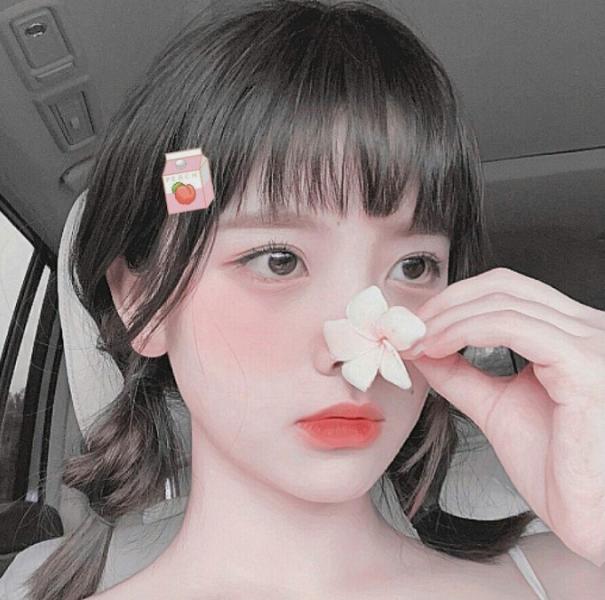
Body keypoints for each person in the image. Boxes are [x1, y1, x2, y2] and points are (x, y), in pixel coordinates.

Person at [3, 1, 604, 598]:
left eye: (414, 266)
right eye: (278, 260)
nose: (353, 353)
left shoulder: (570, 576)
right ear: (142, 301)